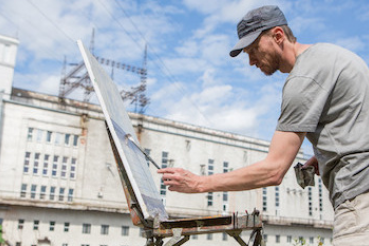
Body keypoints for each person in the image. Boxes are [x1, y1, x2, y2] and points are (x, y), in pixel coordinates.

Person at [158, 5, 369, 245]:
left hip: (359, 201)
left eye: (253, 49)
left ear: (278, 36)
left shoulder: (303, 79)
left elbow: (274, 170)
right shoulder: (332, 56)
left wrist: (198, 183)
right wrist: (324, 156)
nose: (250, 61)